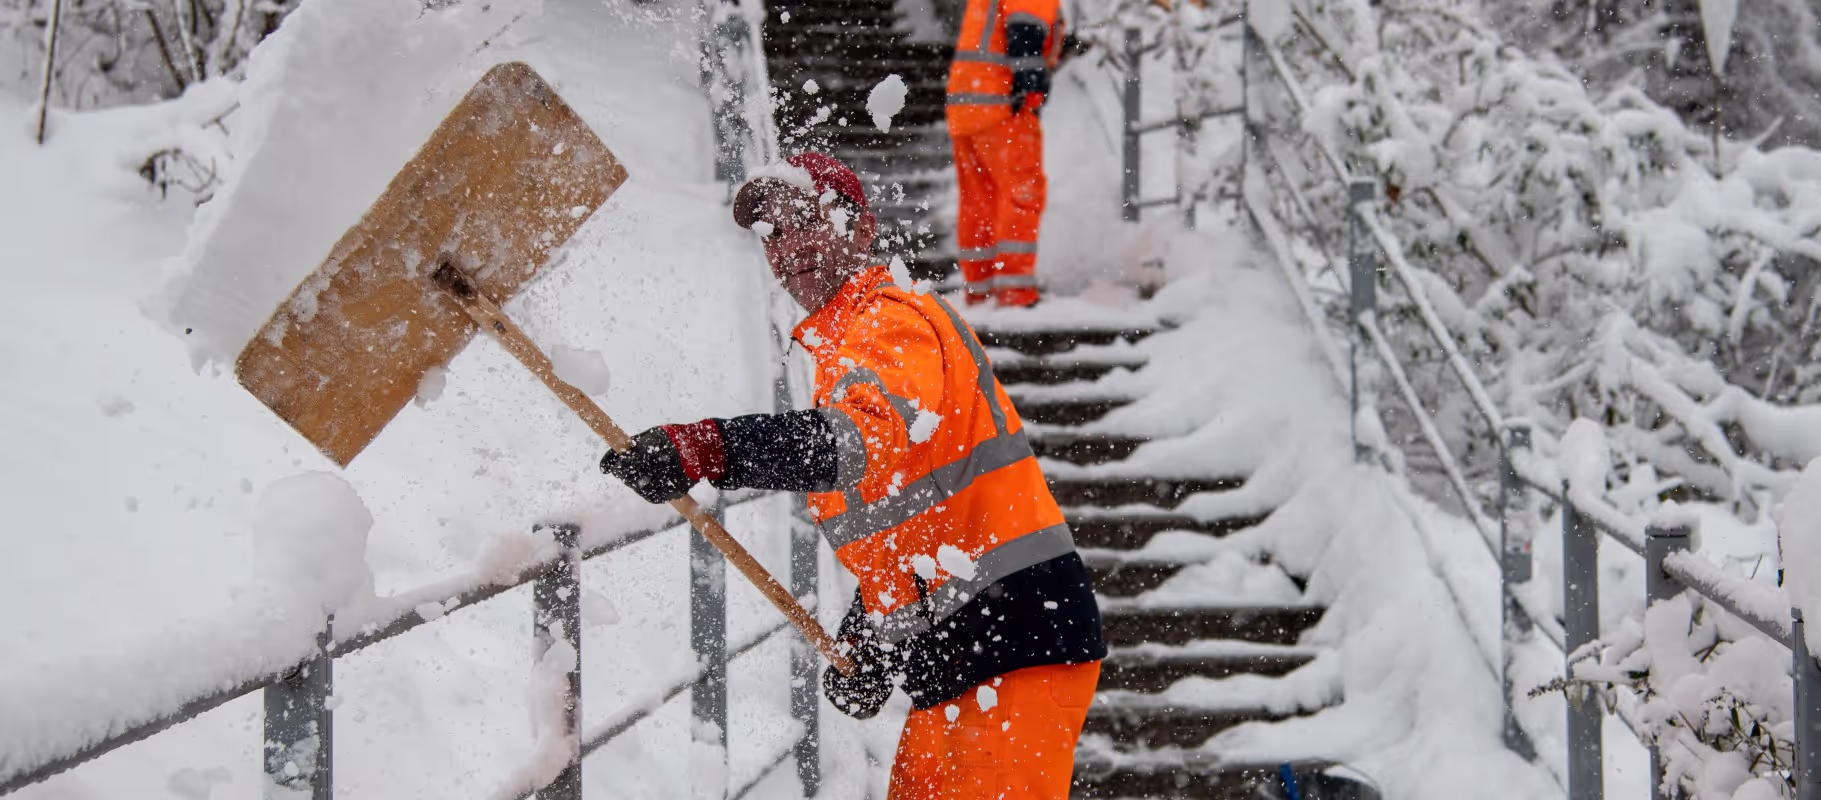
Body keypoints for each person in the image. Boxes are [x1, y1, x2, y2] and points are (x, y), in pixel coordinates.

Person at [600, 152, 1104, 798]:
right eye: (774, 234)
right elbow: (909, 519)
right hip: (959, 662)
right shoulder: (842, 353)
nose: (788, 247)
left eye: (806, 220)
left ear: (862, 232)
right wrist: (874, 635)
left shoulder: (890, 321)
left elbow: (844, 449)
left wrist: (711, 448)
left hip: (1013, 644)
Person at [945, 0, 1064, 306]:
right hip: (1002, 104)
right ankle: (1015, 290)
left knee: (978, 201)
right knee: (1021, 194)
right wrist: (1030, 88)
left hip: (966, 102)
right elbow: (1025, 32)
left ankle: (980, 288)